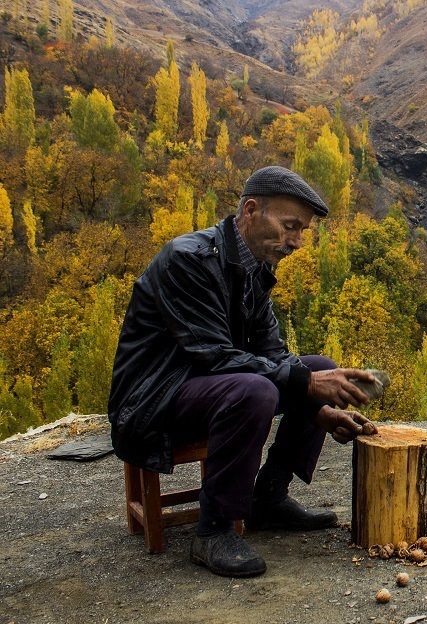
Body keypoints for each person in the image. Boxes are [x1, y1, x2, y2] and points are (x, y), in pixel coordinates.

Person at [108, 166, 379, 578]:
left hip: (207, 388)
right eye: (290, 226)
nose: (297, 241)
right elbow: (214, 355)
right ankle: (214, 529)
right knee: (258, 390)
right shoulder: (189, 259)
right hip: (153, 400)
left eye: (302, 231)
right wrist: (306, 386)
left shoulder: (254, 269)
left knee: (318, 367)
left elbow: (273, 353)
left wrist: (318, 409)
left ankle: (267, 500)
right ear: (251, 210)